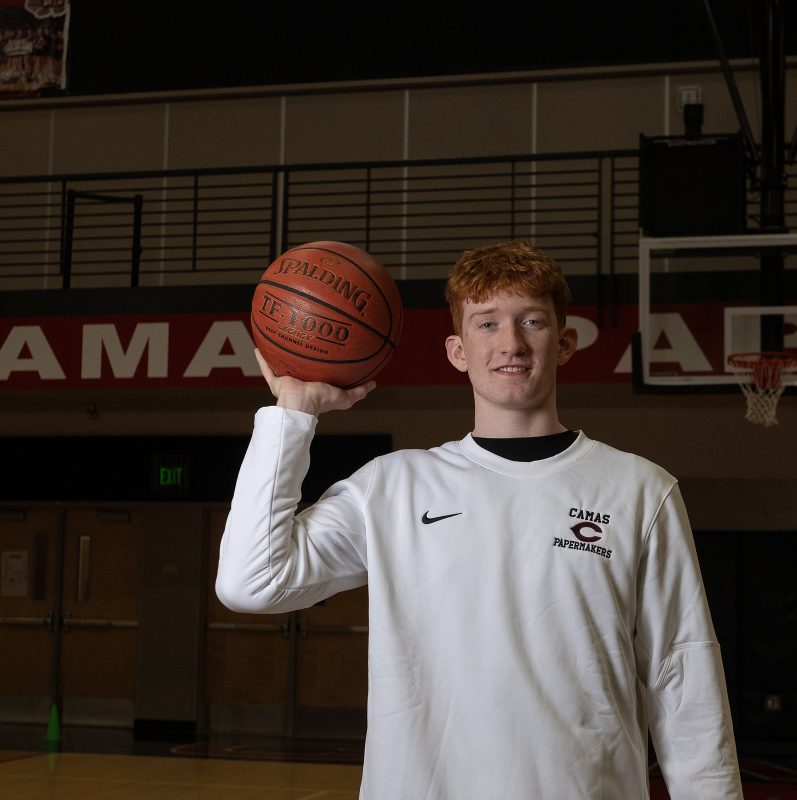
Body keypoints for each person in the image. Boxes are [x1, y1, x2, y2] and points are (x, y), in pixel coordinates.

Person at [217, 240, 743, 799]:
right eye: (486, 324)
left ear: (565, 342)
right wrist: (293, 411)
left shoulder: (640, 489)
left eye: (532, 321)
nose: (510, 342)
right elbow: (252, 582)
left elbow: (682, 678)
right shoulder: (391, 487)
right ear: (457, 350)